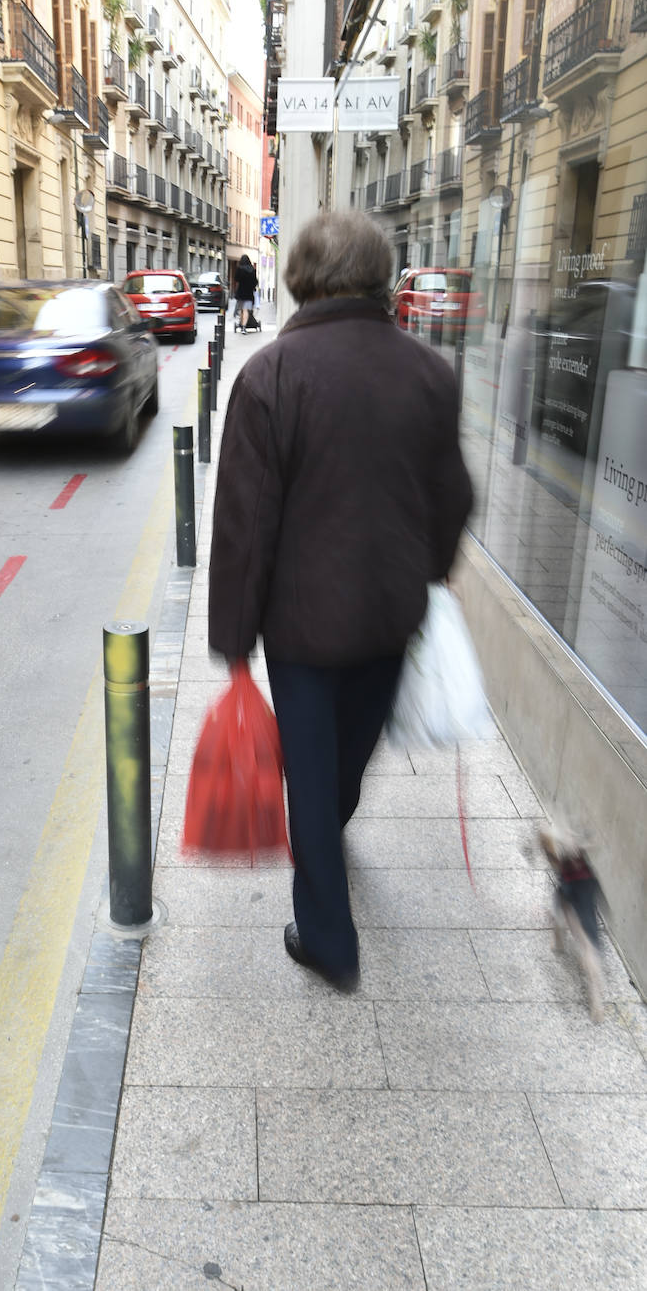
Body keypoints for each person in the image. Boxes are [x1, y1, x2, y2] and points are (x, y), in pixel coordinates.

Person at [208, 210, 473, 991]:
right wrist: (427, 568)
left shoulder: (270, 376)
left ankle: (327, 937)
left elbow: (245, 522)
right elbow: (452, 496)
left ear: (300, 278)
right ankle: (328, 832)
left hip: (301, 625)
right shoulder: (429, 372)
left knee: (312, 773)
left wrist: (234, 635)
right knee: (349, 755)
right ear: (378, 277)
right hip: (392, 614)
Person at [233, 254, 258, 332]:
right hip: (249, 293)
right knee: (246, 310)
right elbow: (255, 281)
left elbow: (236, 279)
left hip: (241, 293)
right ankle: (244, 327)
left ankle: (241, 324)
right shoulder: (252, 269)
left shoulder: (239, 269)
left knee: (241, 309)